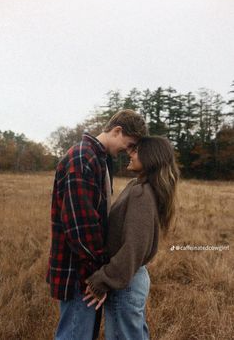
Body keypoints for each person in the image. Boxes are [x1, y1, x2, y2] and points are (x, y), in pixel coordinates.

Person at [46, 109, 147, 340]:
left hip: (87, 271)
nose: (128, 151)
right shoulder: (83, 158)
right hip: (79, 273)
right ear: (117, 131)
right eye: (129, 144)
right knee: (74, 336)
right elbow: (80, 229)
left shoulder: (98, 158)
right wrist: (100, 275)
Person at [83, 136, 179, 340]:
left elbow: (133, 248)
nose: (130, 153)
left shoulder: (141, 193)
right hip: (128, 278)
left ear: (150, 157)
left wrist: (102, 279)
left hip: (124, 281)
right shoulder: (139, 187)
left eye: (136, 151)